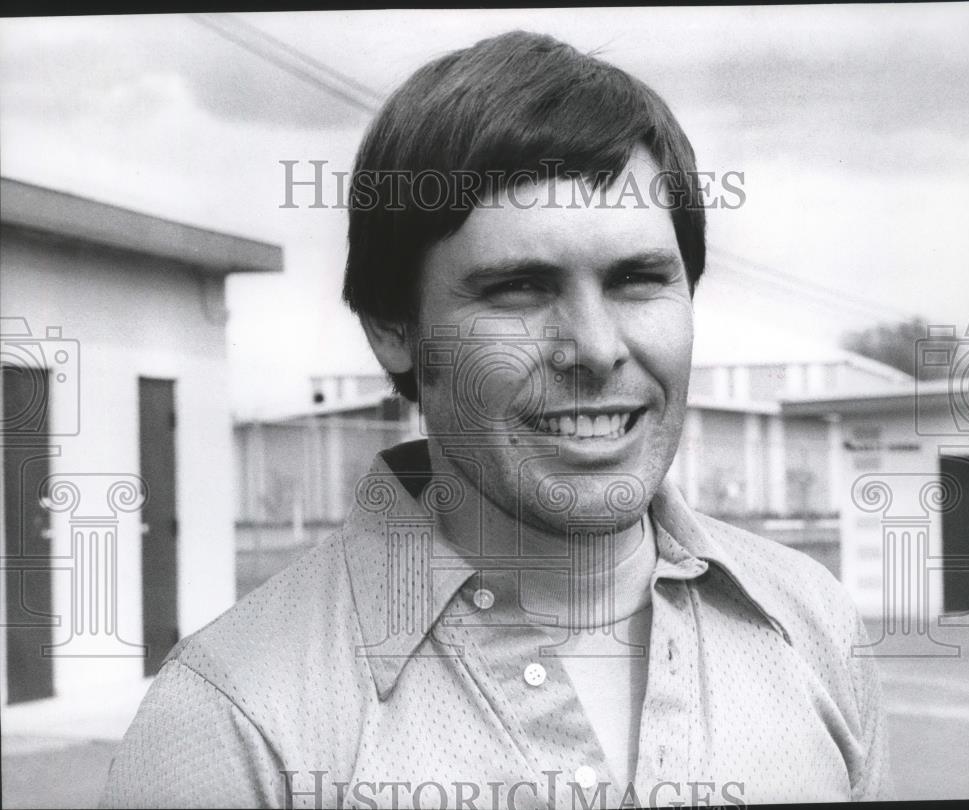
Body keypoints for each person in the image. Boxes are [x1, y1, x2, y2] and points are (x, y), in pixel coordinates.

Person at [101, 30, 893, 809]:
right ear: (392, 326)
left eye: (639, 280)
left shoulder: (813, 625)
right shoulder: (233, 718)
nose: (594, 347)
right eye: (518, 289)